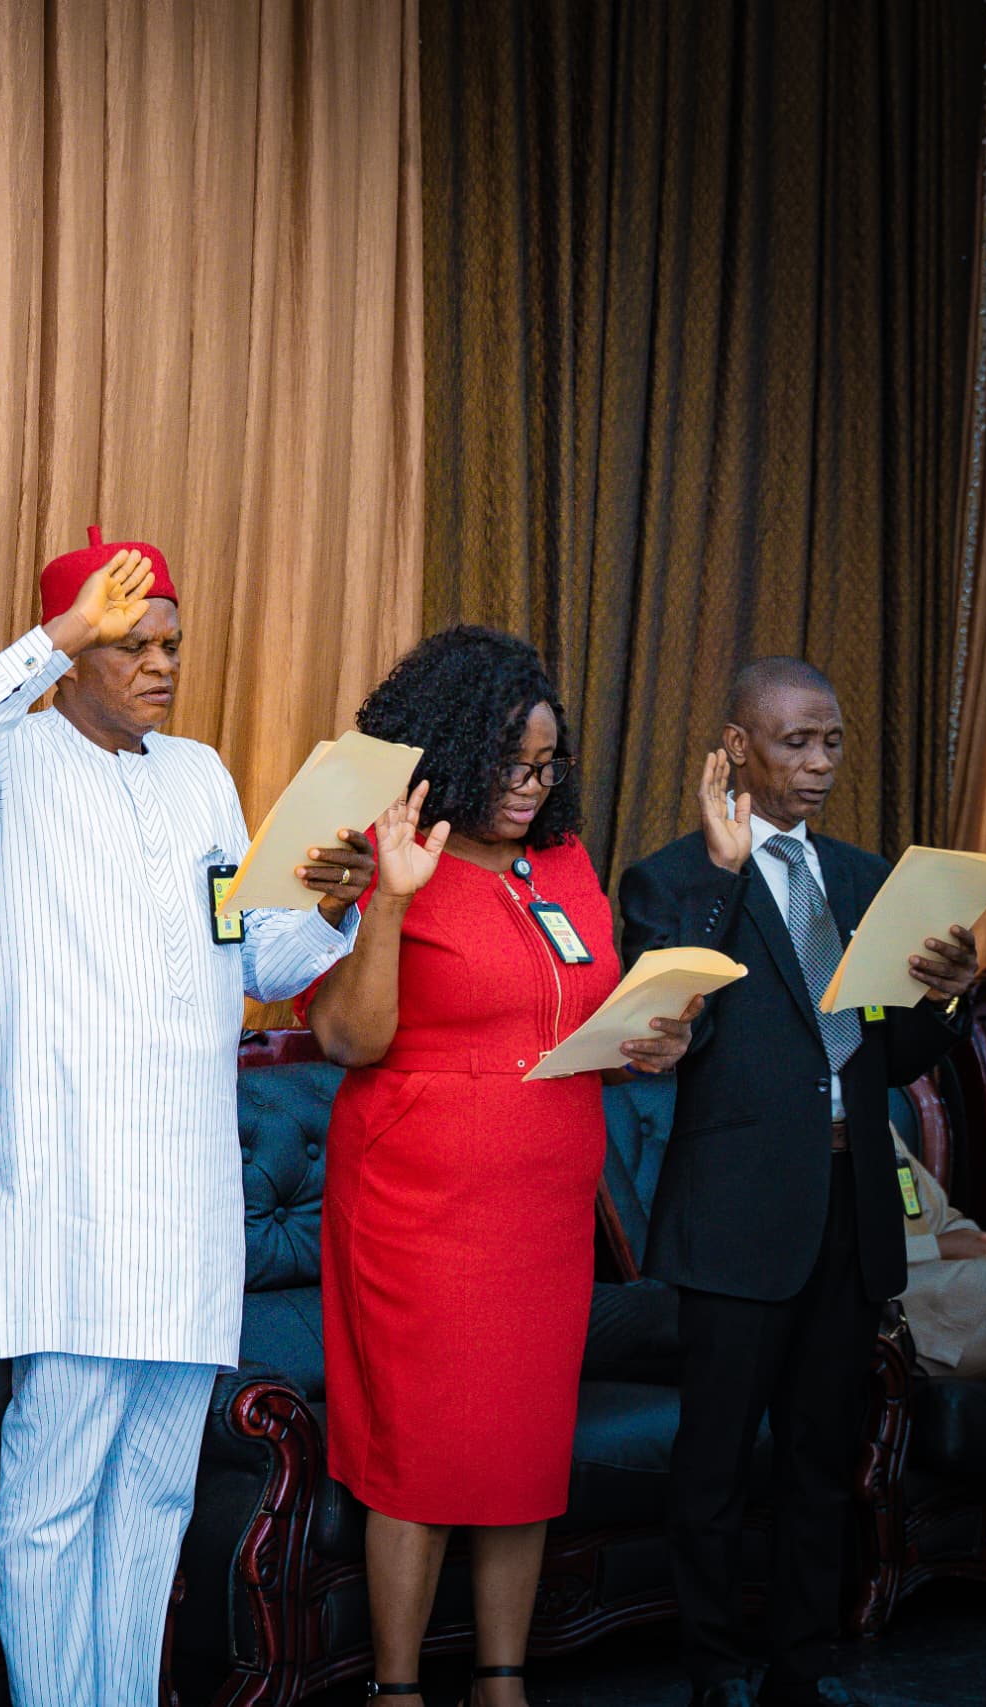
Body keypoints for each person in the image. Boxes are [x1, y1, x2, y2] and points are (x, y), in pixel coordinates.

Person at [0, 527, 374, 1707]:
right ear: (71, 652)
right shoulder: (3, 763)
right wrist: (52, 638)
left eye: (169, 643)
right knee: (55, 1488)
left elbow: (253, 949)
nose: (159, 664)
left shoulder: (200, 772)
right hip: (69, 1178)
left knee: (154, 1486)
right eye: (130, 643)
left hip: (187, 1180)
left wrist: (330, 907)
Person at [302, 626, 695, 1707]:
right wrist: (386, 896)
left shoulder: (561, 861)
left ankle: (503, 1682)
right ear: (448, 751)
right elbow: (347, 1038)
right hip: (419, 1198)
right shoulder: (377, 853)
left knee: (524, 1443)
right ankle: (394, 1690)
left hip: (545, 1197)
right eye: (509, 764)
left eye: (546, 764)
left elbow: (580, 1010)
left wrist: (647, 1041)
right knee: (422, 1448)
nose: (530, 786)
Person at [618, 656, 978, 1707]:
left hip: (846, 1207)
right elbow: (673, 1033)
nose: (818, 764)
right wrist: (728, 881)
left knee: (826, 1459)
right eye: (793, 742)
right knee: (716, 1464)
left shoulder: (867, 880)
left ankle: (801, 1666)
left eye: (829, 742)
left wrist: (944, 1002)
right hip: (735, 1217)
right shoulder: (673, 880)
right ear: (736, 747)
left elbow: (894, 1060)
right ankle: (711, 1669)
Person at [891, 1136, 986, 1381]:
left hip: (946, 1282)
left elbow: (941, 1219)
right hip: (887, 1302)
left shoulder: (875, 1119)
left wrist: (980, 1242)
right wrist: (937, 1247)